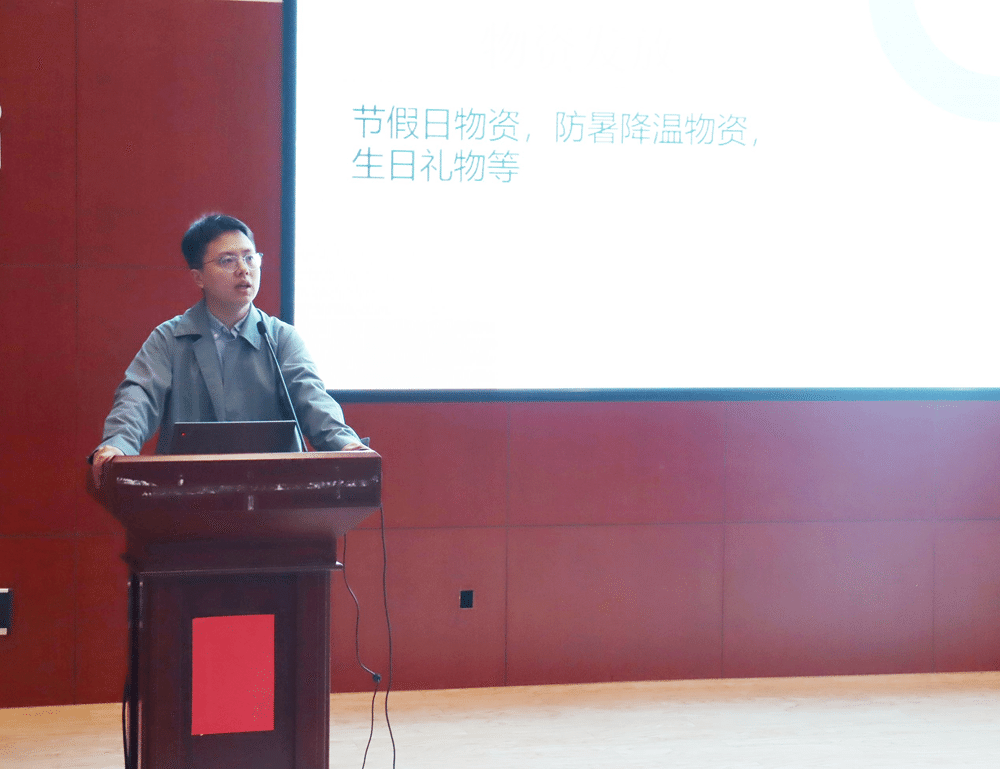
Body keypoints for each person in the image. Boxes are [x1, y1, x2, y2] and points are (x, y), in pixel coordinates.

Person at [90, 213, 366, 486]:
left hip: (274, 492)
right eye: (227, 260)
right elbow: (138, 397)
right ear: (198, 277)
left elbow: (312, 399)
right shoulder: (169, 339)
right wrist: (118, 444)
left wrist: (345, 443)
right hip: (186, 491)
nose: (243, 269)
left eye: (250, 257)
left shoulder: (281, 338)